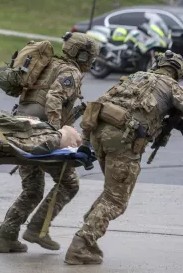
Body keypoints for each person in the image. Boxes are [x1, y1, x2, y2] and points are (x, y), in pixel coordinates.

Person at [64, 50, 183, 265]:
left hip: (98, 134)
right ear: (177, 72)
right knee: (116, 199)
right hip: (124, 140)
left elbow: (98, 103)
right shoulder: (173, 87)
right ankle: (81, 243)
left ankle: (88, 237)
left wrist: (86, 142)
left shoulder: (135, 77)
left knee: (111, 192)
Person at [0, 32, 99, 253]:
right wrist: (55, 131)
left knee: (32, 189)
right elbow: (53, 98)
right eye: (90, 57)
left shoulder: (48, 65)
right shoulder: (70, 71)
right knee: (69, 184)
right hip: (40, 133)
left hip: (20, 128)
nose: (91, 62)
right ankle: (37, 229)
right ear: (82, 55)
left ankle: (6, 237)